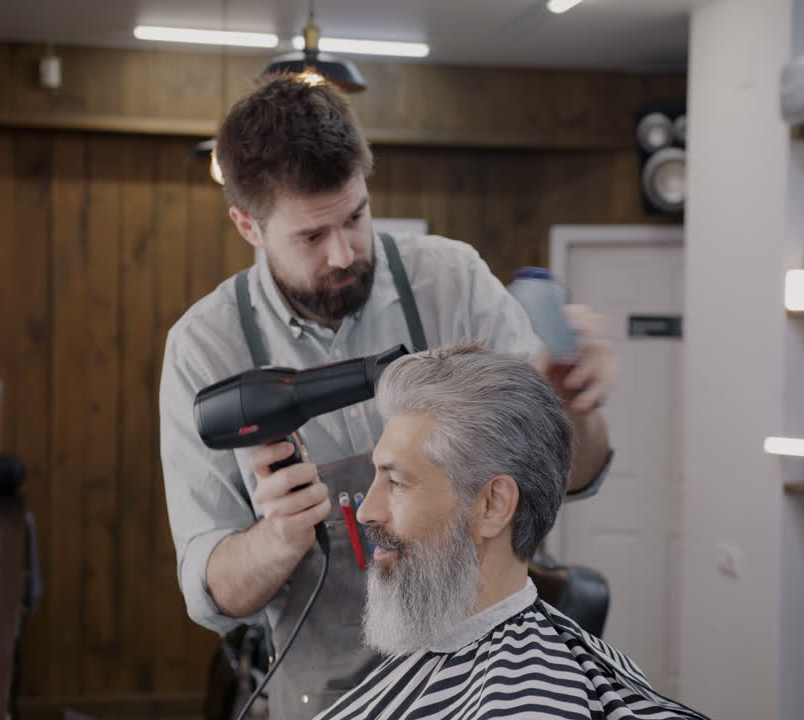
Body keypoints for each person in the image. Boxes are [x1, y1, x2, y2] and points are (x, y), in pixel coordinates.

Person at [159, 73, 616, 718]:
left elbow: (571, 477)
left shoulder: (452, 282)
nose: (343, 253)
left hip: (486, 680)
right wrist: (279, 536)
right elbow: (212, 594)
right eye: (311, 236)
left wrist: (573, 402)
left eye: (355, 216)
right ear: (247, 225)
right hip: (328, 696)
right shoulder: (204, 348)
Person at [316, 343, 707, 720]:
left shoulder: (532, 702)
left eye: (397, 482)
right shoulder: (433, 650)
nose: (366, 511)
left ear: (492, 505)